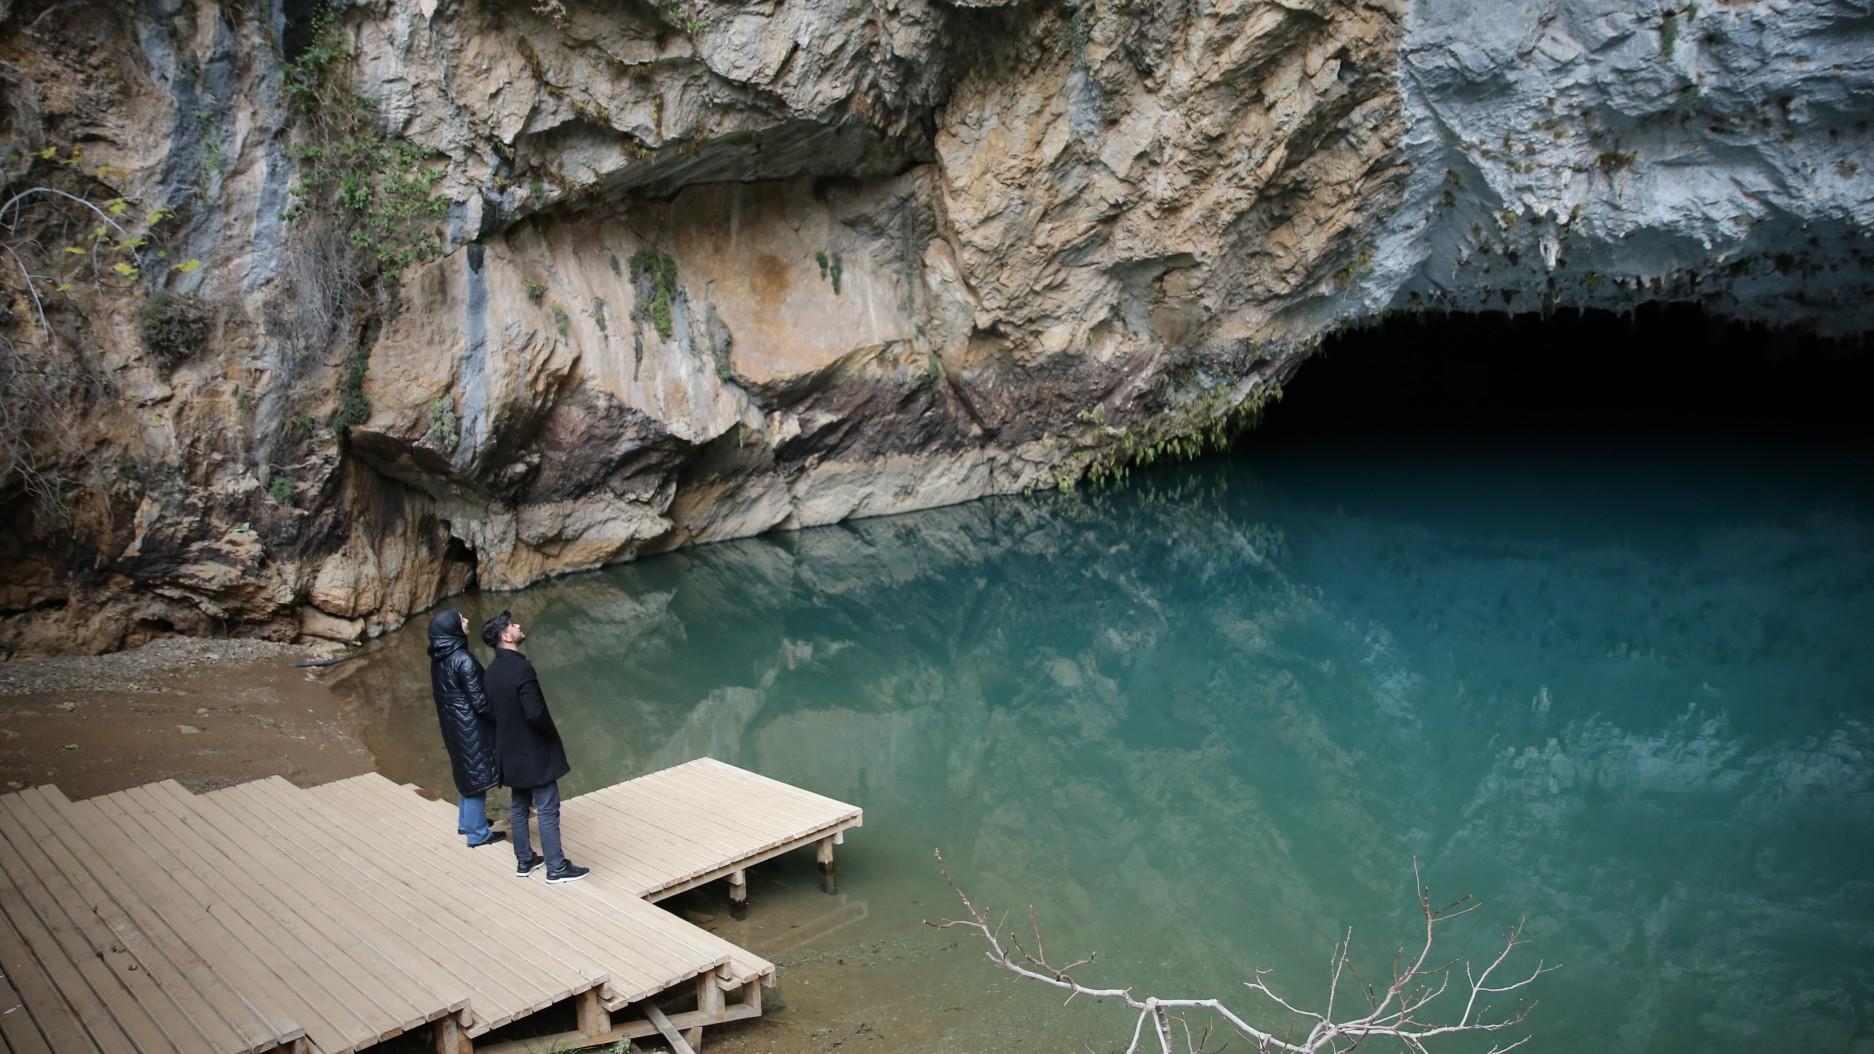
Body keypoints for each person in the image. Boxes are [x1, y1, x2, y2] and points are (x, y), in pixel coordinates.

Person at [481, 610, 590, 884]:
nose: (518, 625)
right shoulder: (522, 669)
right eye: (512, 624)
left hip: (509, 750)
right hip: (533, 750)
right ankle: (556, 867)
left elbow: (490, 712)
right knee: (548, 805)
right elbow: (535, 712)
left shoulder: (491, 672)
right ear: (506, 636)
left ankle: (525, 859)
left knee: (519, 804)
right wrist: (550, 735)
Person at [426, 607, 506, 848]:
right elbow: (481, 702)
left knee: (466, 775)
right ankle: (477, 834)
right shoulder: (463, 659)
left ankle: (467, 822)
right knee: (477, 780)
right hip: (471, 729)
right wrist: (501, 718)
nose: (467, 620)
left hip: (453, 727)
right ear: (452, 628)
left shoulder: (440, 658)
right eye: (461, 619)